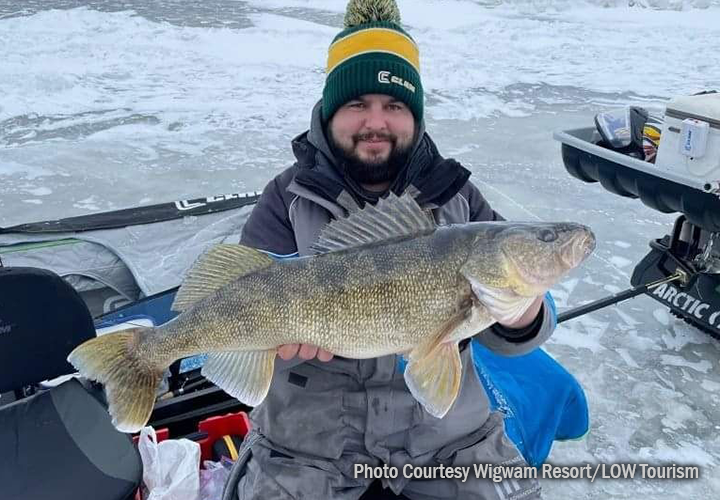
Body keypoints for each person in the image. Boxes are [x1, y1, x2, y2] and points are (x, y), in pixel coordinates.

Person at [235, 1, 553, 498]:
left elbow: (517, 330)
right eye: (357, 104)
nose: (375, 122)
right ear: (329, 112)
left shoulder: (457, 198)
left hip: (449, 443)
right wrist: (276, 345)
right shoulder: (287, 198)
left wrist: (525, 314)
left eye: (395, 105)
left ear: (415, 115)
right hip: (308, 448)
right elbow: (245, 294)